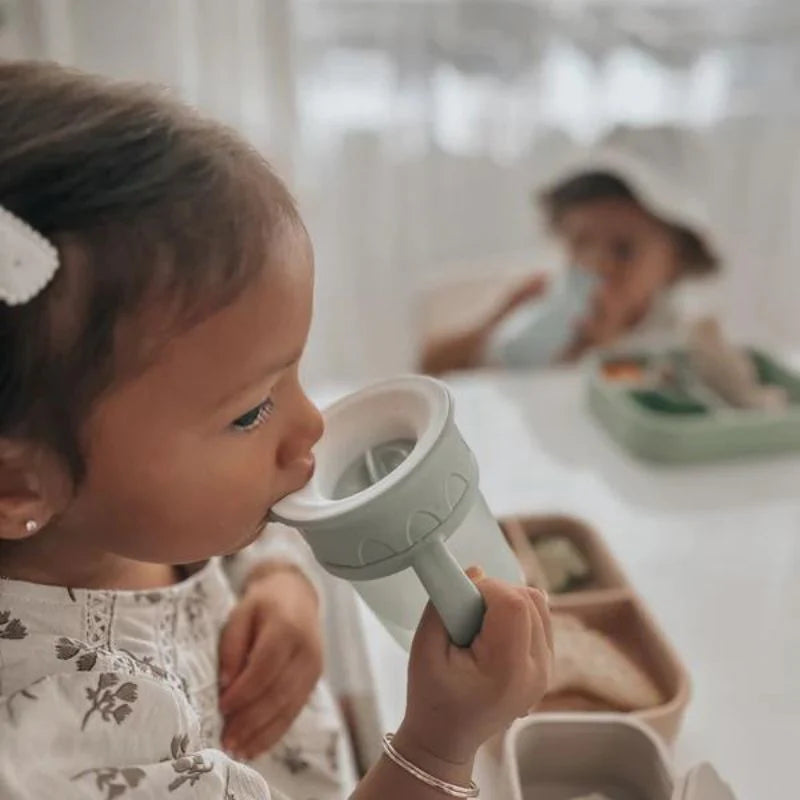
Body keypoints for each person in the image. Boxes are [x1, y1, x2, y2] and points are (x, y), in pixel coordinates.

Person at [0, 61, 553, 799]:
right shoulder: (53, 748)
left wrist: (281, 578)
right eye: (251, 410)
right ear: (17, 483)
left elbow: (219, 525)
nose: (311, 426)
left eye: (294, 373)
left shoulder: (112, 522)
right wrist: (439, 743)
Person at [420, 125, 721, 375]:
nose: (595, 265)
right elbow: (429, 368)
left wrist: (604, 355)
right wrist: (492, 324)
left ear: (677, 260)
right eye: (581, 242)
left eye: (624, 251)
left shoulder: (685, 338)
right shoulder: (540, 299)